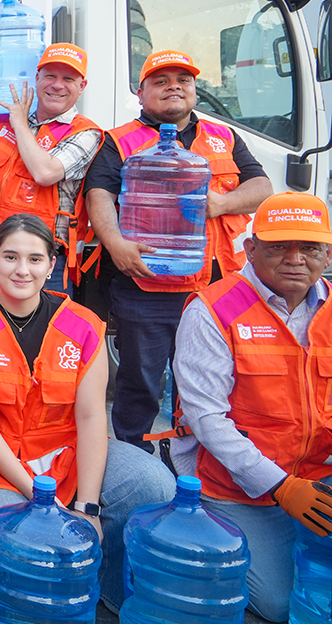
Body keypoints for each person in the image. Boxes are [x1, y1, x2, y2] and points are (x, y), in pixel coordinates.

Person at [0, 214, 175, 612]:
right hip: (0, 468)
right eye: (10, 257)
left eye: (35, 259)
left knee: (153, 483)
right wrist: (40, 497)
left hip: (69, 455)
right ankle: (41, 597)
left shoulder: (84, 325)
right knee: (4, 525)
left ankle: (106, 584)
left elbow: (91, 418)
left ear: (52, 265)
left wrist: (86, 506)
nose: (23, 270)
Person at [84, 49, 271, 449]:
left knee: (212, 379)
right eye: (161, 81)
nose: (174, 87)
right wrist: (115, 243)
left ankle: (202, 455)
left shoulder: (224, 138)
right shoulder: (118, 141)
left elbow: (262, 188)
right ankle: (136, 453)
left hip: (216, 287)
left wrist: (220, 204)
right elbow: (98, 194)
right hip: (147, 285)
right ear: (140, 93)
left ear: (195, 93)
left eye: (183, 81)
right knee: (141, 381)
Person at [171, 192, 332, 623]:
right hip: (233, 484)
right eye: (280, 247)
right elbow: (207, 420)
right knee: (281, 604)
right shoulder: (214, 310)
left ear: (328, 253)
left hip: (316, 473)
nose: (296, 259)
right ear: (251, 249)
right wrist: (279, 486)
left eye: (311, 248)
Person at [0, 41, 102, 294]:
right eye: (50, 76)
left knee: (41, 333)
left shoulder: (86, 133)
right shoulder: (3, 119)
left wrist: (20, 123)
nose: (57, 85)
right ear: (37, 78)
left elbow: (46, 172)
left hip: (42, 262)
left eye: (68, 78)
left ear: (82, 87)